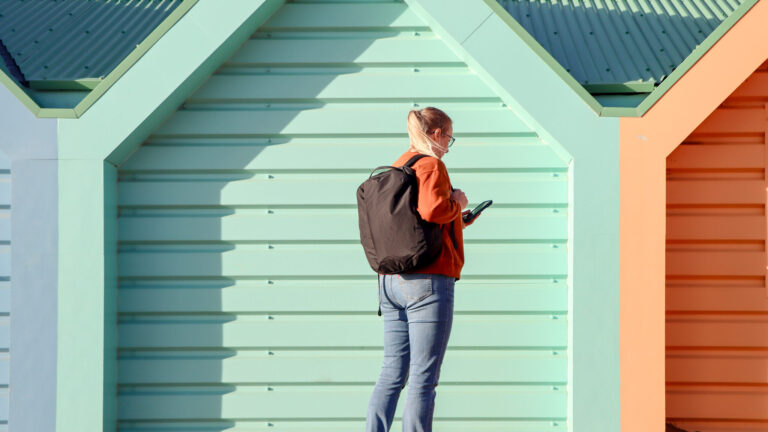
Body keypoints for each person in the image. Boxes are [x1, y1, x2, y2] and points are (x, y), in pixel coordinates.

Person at [365, 107, 477, 432]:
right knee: (423, 376)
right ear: (437, 134)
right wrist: (457, 202)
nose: (448, 145)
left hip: (390, 281)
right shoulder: (432, 164)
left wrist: (458, 220)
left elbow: (415, 224)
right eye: (449, 138)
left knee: (391, 371)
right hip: (427, 283)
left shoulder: (398, 165)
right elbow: (433, 209)